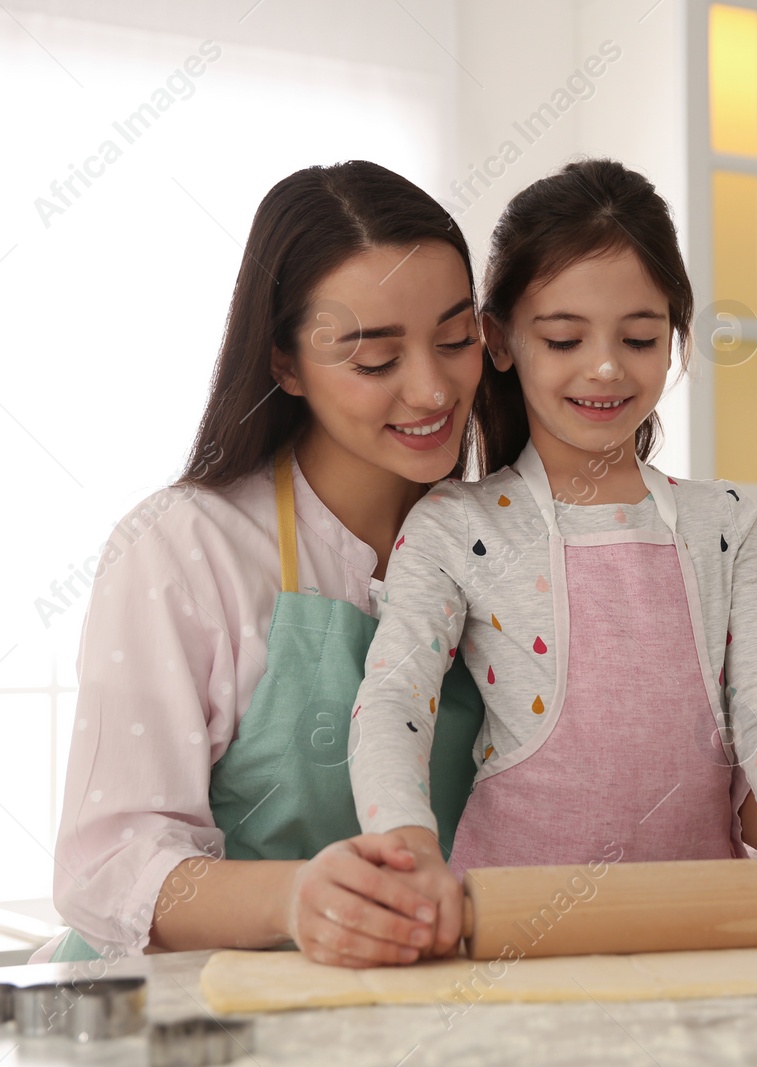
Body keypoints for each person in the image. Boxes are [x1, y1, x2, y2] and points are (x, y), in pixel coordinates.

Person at [347, 159, 757, 958]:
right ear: (499, 341)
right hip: (512, 941)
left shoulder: (724, 523)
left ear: (675, 338)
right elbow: (394, 703)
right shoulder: (455, 526)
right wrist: (408, 851)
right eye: (563, 338)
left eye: (640, 337)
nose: (606, 367)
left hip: (708, 935)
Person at [32, 160, 491, 968]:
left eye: (456, 339)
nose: (431, 389)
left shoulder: (504, 543)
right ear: (285, 363)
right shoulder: (183, 548)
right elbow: (109, 866)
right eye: (376, 359)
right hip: (196, 1017)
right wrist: (295, 896)